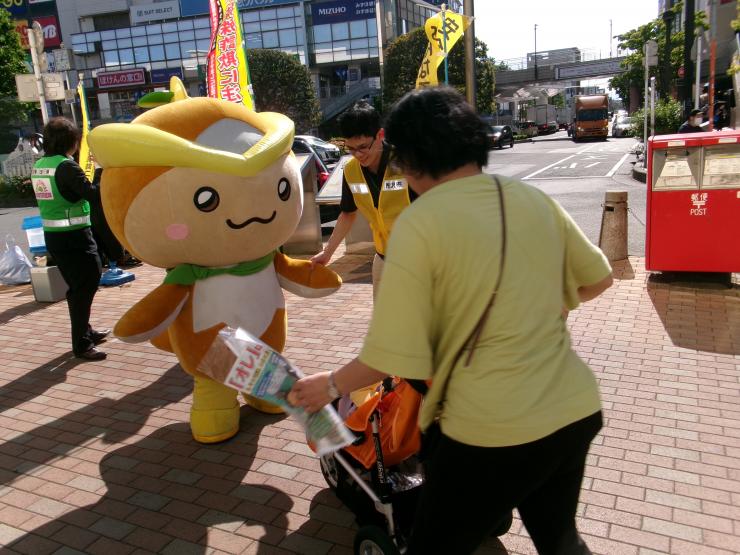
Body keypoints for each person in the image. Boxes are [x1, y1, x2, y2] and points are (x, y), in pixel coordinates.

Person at [290, 88, 613, 555]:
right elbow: (597, 279)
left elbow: (390, 355)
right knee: (560, 539)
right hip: (573, 409)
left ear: (412, 158)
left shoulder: (421, 225)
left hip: (490, 428)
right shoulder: (529, 198)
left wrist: (330, 385)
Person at [310, 101, 416, 297]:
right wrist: (328, 252)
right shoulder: (350, 170)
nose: (358, 155)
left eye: (363, 147)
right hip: (383, 259)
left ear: (380, 135)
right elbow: (348, 213)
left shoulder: (406, 162)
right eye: (350, 149)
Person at [31, 118, 109, 361]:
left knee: (78, 287)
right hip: (75, 238)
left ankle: (86, 331)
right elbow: (93, 195)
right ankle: (82, 344)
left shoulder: (41, 165)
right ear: (71, 140)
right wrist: (100, 171)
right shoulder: (66, 166)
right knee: (86, 285)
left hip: (55, 237)